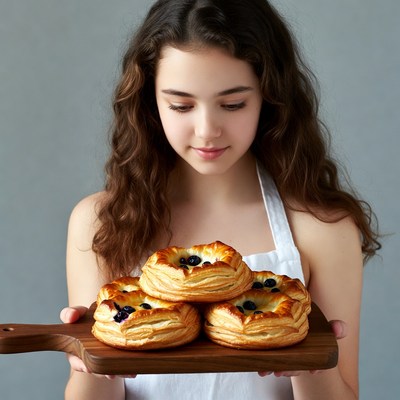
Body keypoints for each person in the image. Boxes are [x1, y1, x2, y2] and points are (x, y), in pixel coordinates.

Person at [60, 0, 381, 399]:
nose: (207, 129)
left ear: (270, 97)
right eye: (181, 105)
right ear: (148, 102)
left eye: (233, 104)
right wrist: (93, 361)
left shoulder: (323, 230)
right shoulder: (101, 221)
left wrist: (308, 362)